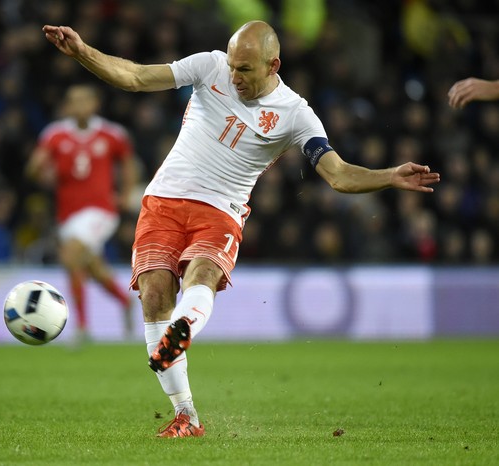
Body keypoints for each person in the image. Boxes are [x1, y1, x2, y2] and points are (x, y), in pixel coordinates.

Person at [42, 20, 441, 438]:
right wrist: (84, 51)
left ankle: (183, 330)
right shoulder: (208, 66)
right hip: (162, 200)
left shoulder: (295, 113)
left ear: (274, 65)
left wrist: (390, 175)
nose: (234, 77)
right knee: (155, 294)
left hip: (221, 210)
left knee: (203, 274)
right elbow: (137, 77)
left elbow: (338, 175)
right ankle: (187, 416)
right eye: (233, 66)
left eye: (245, 70)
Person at [26, 84, 138, 343]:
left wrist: (125, 194)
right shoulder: (55, 134)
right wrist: (40, 172)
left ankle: (83, 327)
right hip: (68, 215)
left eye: (85, 101)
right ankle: (125, 302)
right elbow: (34, 167)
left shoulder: (112, 134)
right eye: (74, 101)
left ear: (95, 104)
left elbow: (128, 163)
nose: (80, 107)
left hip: (100, 211)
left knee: (70, 255)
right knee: (90, 267)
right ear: (67, 106)